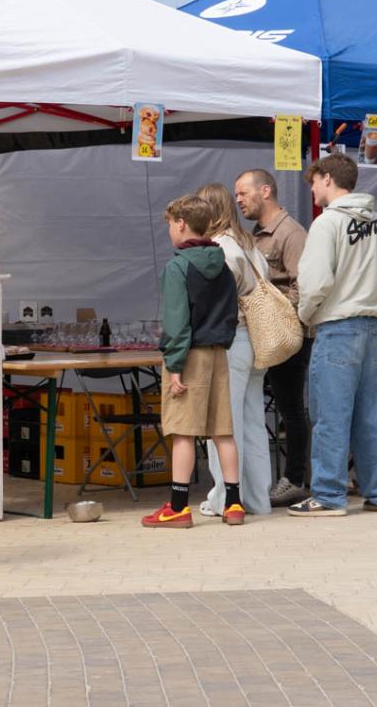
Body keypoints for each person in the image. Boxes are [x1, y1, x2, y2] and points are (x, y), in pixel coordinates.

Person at [289, 153, 377, 517]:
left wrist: (306, 314)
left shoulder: (326, 223)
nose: (312, 189)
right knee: (372, 415)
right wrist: (368, 298)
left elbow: (315, 281)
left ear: (327, 178)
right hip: (371, 327)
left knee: (330, 417)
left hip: (337, 327)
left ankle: (329, 496)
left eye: (313, 181)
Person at [143, 194, 243, 529]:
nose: (169, 230)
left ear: (182, 224)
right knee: (223, 431)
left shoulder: (178, 267)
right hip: (219, 354)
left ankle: (178, 507)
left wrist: (174, 366)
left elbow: (177, 323)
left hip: (189, 356)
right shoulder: (224, 265)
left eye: (171, 224)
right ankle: (234, 504)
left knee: (183, 432)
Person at [195, 182, 272, 518]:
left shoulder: (219, 249)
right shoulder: (248, 244)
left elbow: (217, 304)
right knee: (253, 424)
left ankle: (224, 498)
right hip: (255, 342)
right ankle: (257, 499)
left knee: (224, 426)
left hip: (230, 342)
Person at [235, 168, 312, 506]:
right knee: (266, 406)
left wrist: (273, 309)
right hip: (262, 334)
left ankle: (295, 479)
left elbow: (303, 287)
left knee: (290, 408)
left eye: (243, 193)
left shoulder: (291, 233)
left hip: (285, 334)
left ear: (265, 191)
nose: (238, 200)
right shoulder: (255, 234)